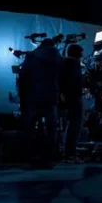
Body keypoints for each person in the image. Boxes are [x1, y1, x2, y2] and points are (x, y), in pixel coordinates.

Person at [19, 39, 64, 168]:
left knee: (30, 127)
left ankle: (29, 155)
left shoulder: (32, 55)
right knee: (51, 127)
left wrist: (23, 97)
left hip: (32, 96)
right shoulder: (56, 55)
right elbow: (63, 73)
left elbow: (23, 77)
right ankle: (49, 157)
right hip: (50, 96)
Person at [59, 45, 85, 162]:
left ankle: (67, 152)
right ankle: (70, 153)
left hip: (66, 98)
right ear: (78, 54)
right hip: (73, 98)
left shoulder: (63, 62)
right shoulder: (74, 64)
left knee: (69, 126)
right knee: (75, 125)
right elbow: (75, 82)